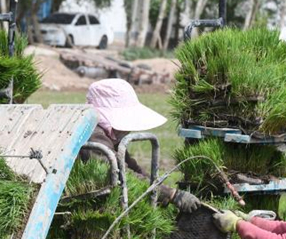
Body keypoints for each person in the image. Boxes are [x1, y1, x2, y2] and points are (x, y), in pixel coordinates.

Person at [84, 78, 201, 213]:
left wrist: (160, 187)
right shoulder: (93, 136)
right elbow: (122, 175)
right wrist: (171, 194)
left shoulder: (109, 135)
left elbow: (130, 166)